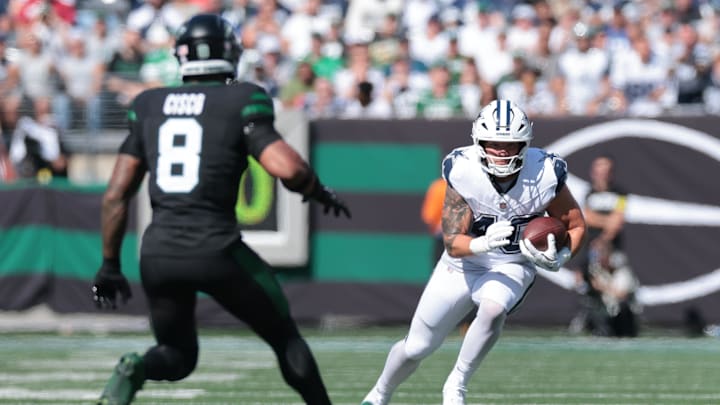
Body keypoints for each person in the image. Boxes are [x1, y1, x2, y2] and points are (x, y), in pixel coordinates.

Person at [92, 14, 350, 405]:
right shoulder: (242, 98)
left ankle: (137, 367)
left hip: (159, 253)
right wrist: (317, 191)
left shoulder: (147, 104)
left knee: (177, 356)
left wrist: (109, 264)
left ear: (182, 56)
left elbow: (115, 195)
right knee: (284, 336)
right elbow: (289, 168)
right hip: (216, 248)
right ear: (229, 52)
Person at [361, 99, 586, 405]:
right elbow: (452, 242)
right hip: (464, 263)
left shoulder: (545, 172)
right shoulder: (464, 169)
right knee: (417, 346)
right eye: (494, 143)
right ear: (479, 141)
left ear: (525, 143)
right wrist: (482, 243)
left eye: (510, 144)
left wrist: (562, 256)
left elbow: (575, 224)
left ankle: (456, 384)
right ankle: (379, 394)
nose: (502, 151)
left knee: (494, 308)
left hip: (512, 263)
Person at [572, 241, 640, 337]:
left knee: (623, 308)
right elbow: (579, 285)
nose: (598, 258)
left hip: (622, 316)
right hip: (604, 315)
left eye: (602, 253)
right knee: (591, 305)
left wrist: (601, 287)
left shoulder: (623, 272)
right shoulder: (596, 271)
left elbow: (622, 295)